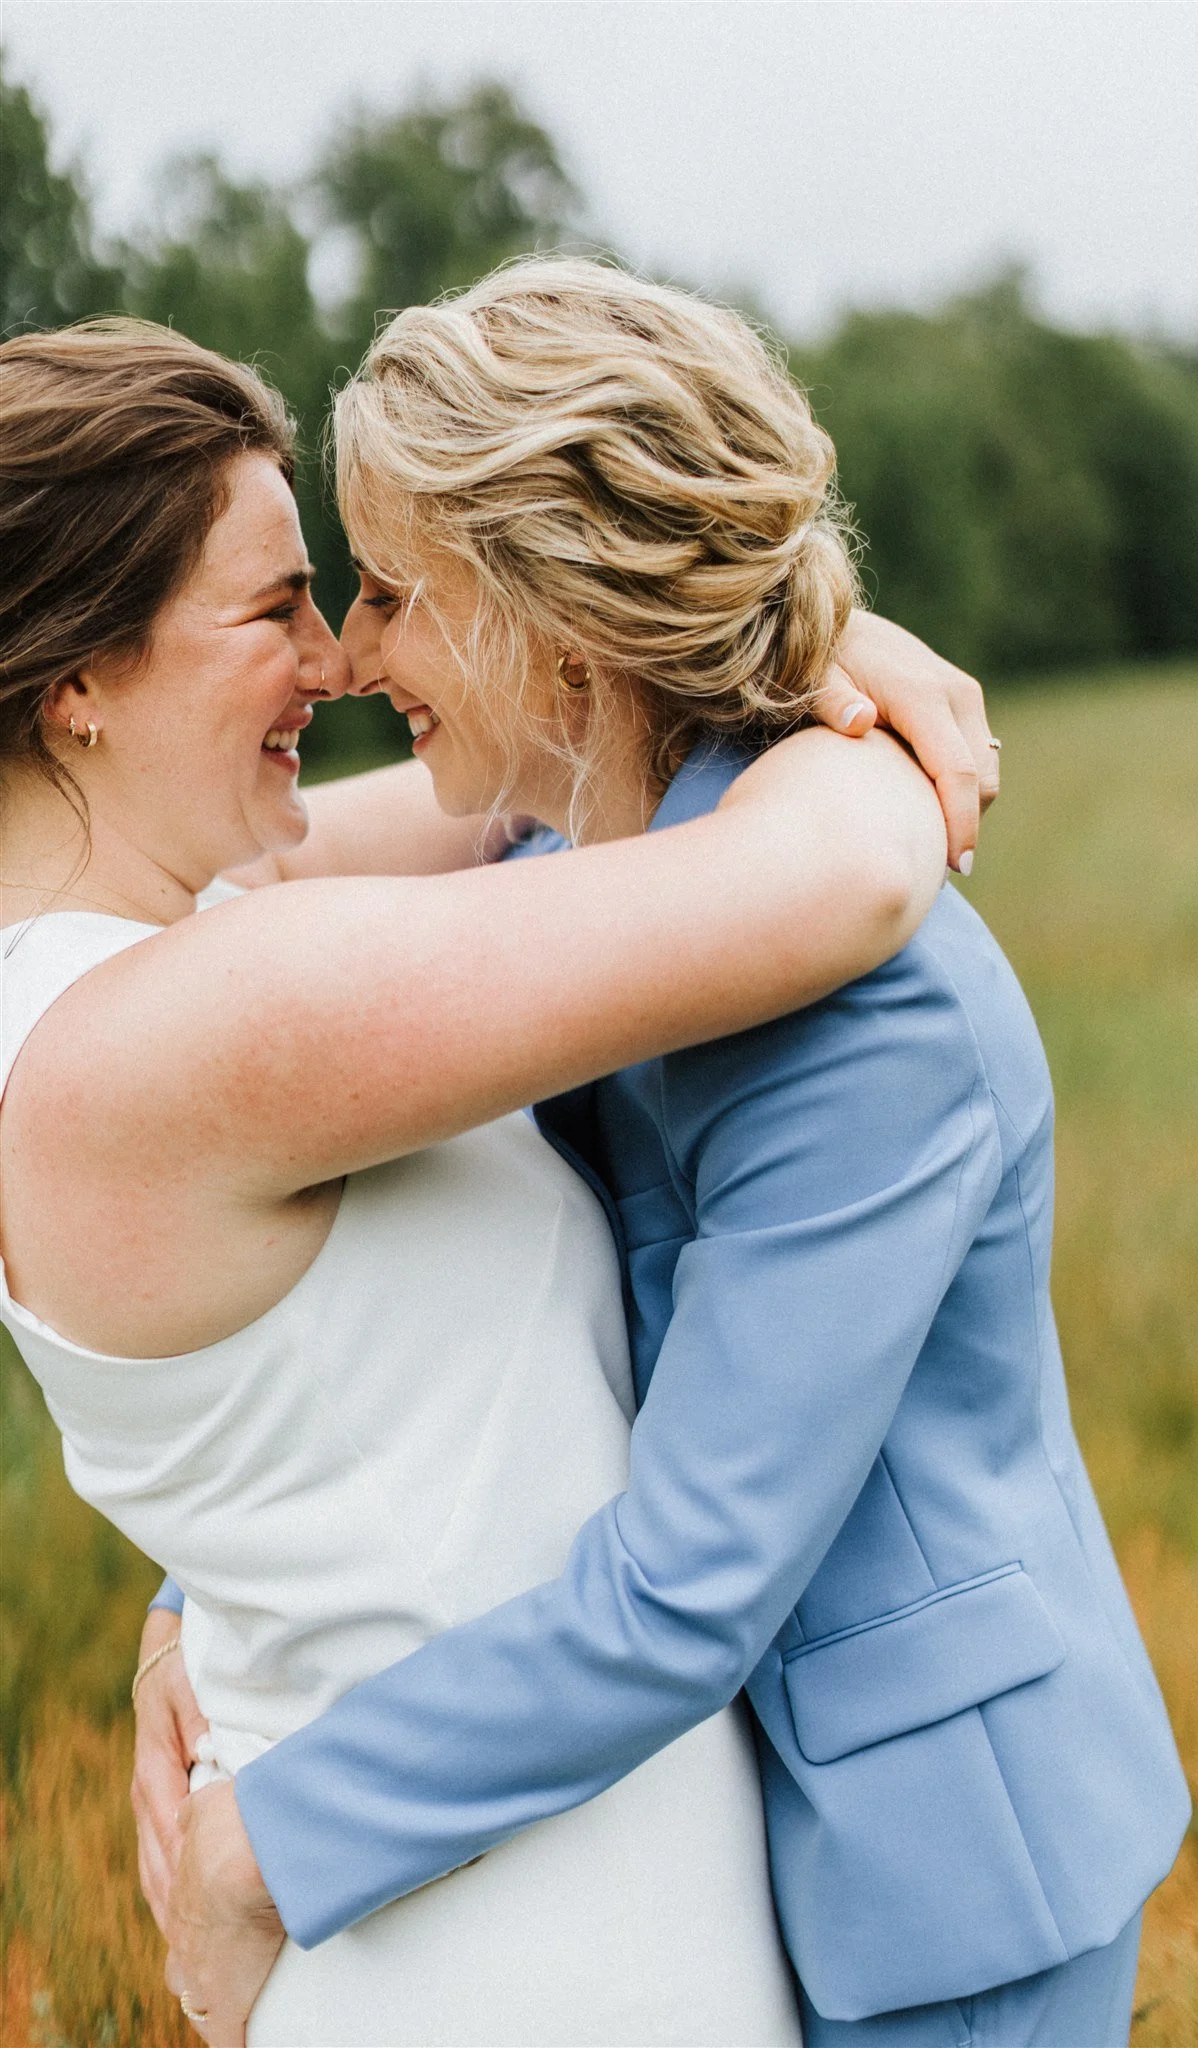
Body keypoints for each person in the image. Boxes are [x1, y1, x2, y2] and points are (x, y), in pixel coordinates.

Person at [150, 261, 1190, 2047]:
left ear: (550, 612)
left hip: (935, 1887)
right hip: (690, 1840)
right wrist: (201, 1577)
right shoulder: (568, 865)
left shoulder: (874, 1028)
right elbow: (394, 1226)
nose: (359, 655)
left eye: (398, 592)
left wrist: (264, 1846)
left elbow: (688, 1591)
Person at [0, 317, 978, 2046]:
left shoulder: (151, 956)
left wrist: (781, 638)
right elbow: (829, 883)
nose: (336, 660)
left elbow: (543, 774)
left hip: (471, 1867)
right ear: (76, 677)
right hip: (525, 1940)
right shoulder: (183, 1026)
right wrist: (871, 715)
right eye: (272, 606)